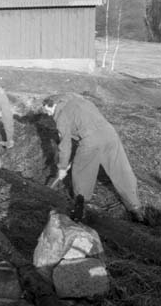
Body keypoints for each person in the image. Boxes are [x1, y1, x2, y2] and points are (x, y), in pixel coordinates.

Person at [42, 94, 144, 222]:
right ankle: (136, 208)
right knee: (121, 171)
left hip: (90, 141)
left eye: (47, 111)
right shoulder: (82, 101)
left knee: (82, 172)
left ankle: (80, 209)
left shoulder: (61, 117)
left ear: (54, 104)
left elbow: (65, 145)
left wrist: (62, 168)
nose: (48, 115)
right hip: (111, 135)